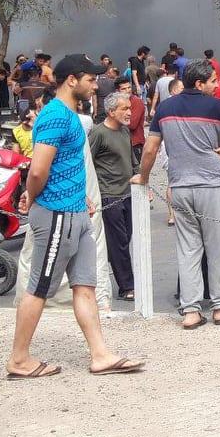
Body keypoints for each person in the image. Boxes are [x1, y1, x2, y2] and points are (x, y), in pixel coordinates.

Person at [7, 54, 144, 377]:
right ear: (72, 80)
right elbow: (39, 169)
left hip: (75, 212)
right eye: (90, 79)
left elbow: (63, 165)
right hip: (56, 215)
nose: (95, 84)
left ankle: (100, 355)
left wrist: (81, 196)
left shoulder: (69, 115)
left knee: (85, 286)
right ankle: (18, 359)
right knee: (40, 286)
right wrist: (34, 195)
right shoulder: (55, 116)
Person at [137, 59, 220, 329]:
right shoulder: (219, 106)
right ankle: (219, 307)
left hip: (181, 187)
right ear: (200, 83)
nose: (217, 85)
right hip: (213, 186)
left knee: (188, 249)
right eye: (213, 81)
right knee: (218, 247)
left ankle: (191, 310)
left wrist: (143, 177)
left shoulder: (166, 108)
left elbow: (150, 149)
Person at [88, 92, 137, 301]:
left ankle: (100, 271)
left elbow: (132, 159)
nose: (129, 112)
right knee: (119, 243)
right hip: (109, 196)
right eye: (124, 109)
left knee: (125, 239)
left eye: (129, 108)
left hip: (128, 193)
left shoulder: (125, 131)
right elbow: (86, 161)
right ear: (111, 111)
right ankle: (126, 286)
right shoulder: (99, 133)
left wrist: (140, 178)